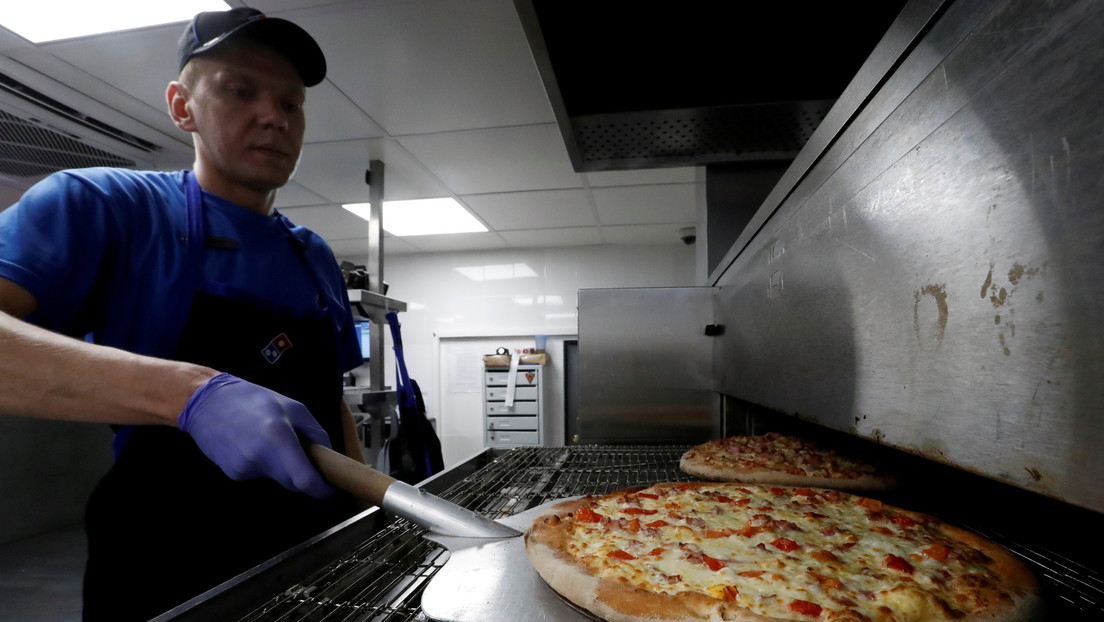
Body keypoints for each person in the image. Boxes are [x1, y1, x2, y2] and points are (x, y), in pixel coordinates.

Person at [0, 8, 365, 621]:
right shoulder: (106, 207)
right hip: (168, 567)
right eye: (240, 90)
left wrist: (369, 517)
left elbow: (334, 406)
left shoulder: (314, 255)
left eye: (291, 102)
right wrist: (190, 394)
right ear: (181, 106)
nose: (274, 117)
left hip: (314, 565)